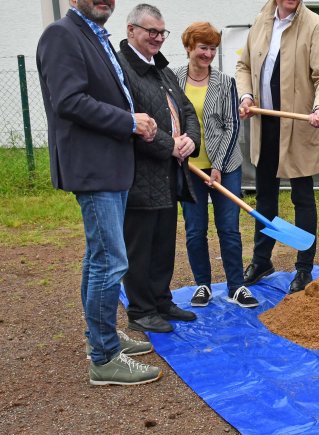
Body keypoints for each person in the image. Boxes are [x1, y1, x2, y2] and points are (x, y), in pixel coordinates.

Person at [37, 0, 161, 385]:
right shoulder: (62, 34)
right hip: (93, 167)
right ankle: (105, 358)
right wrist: (129, 121)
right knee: (110, 262)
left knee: (98, 259)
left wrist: (136, 121)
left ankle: (101, 335)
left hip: (108, 164)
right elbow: (69, 101)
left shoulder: (93, 35)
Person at [237, 0, 319, 294]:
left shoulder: (315, 26)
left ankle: (303, 268)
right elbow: (244, 66)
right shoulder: (260, 21)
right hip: (265, 124)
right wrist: (246, 96)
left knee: (302, 198)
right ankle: (261, 260)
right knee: (265, 199)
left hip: (299, 127)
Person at [117, 4, 200, 333]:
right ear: (131, 31)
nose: (157, 38)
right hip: (140, 174)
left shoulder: (162, 70)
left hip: (169, 173)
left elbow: (187, 110)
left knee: (165, 240)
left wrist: (191, 139)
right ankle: (141, 310)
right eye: (151, 31)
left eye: (161, 32)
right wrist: (171, 146)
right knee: (140, 245)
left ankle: (161, 300)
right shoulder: (122, 70)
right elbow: (130, 125)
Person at [175, 22, 258, 309]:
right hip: (190, 170)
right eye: (203, 48)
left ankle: (237, 287)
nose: (208, 54)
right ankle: (203, 286)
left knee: (229, 229)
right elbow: (171, 121)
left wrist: (218, 166)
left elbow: (231, 126)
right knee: (196, 230)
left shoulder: (225, 82)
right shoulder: (173, 80)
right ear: (189, 47)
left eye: (212, 48)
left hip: (226, 166)